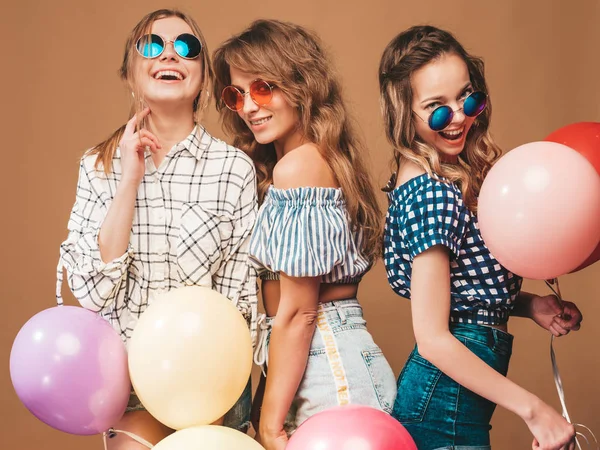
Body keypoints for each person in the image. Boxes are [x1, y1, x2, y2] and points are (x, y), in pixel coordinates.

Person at [57, 9, 257, 449]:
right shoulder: (98, 166)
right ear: (131, 72)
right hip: (129, 388)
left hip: (211, 383)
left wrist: (219, 397)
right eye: (153, 44)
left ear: (203, 78)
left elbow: (239, 302)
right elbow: (90, 293)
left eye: (187, 47)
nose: (170, 54)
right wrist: (129, 178)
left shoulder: (233, 170)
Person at [379, 25, 583, 450]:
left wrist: (530, 305)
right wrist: (535, 411)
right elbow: (433, 338)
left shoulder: (446, 177)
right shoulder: (430, 191)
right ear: (406, 115)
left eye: (467, 97)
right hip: (441, 406)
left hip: (453, 401)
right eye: (437, 109)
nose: (458, 117)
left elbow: (461, 291)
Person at [213, 19, 397, 450]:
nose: (248, 107)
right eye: (235, 94)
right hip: (320, 362)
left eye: (262, 88)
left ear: (301, 85)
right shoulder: (317, 159)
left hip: (329, 364)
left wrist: (270, 423)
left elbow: (298, 314)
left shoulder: (298, 167)